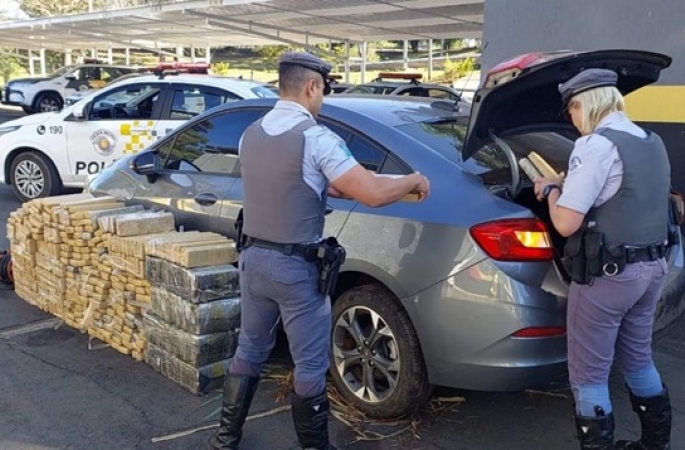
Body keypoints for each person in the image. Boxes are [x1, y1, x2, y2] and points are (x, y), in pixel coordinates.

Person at [208, 51, 430, 450]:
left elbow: (305, 183)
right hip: (295, 269)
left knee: (250, 349)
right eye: (323, 90)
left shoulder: (251, 133)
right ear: (312, 86)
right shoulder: (317, 137)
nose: (323, 98)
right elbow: (371, 194)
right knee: (309, 365)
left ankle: (225, 440)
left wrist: (367, 181)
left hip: (253, 261)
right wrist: (412, 178)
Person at [534, 68, 673, 450]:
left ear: (584, 104)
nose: (572, 121)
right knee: (638, 359)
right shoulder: (651, 140)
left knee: (589, 374)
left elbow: (565, 222)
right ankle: (653, 444)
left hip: (608, 277)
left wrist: (549, 191)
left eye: (571, 112)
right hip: (652, 268)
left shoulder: (595, 145)